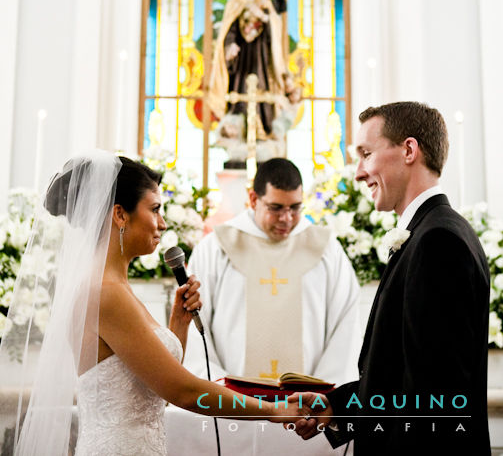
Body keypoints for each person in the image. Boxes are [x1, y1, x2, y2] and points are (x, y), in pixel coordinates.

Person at [0, 152, 301, 456]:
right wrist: (274, 411)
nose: (163, 222)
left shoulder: (116, 288)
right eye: (155, 209)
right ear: (120, 214)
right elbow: (182, 391)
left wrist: (178, 325)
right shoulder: (106, 294)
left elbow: (153, 391)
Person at [289, 102, 491, 455]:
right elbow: (400, 377)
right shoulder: (432, 231)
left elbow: (434, 399)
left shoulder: (437, 241)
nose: (359, 172)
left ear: (409, 150)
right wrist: (335, 406)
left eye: (366, 154)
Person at [184, 157, 361, 390]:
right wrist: (220, 389)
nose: (286, 219)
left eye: (295, 208)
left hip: (307, 409)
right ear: (253, 199)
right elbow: (197, 328)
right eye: (276, 208)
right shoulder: (216, 247)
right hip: (232, 404)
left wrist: (323, 394)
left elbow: (345, 327)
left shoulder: (327, 249)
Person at [209, 0, 288, 139]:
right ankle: (238, 133)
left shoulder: (263, 0)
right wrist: (230, 46)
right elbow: (229, 30)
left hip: (261, 54)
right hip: (241, 58)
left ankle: (264, 129)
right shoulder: (234, 3)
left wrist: (264, 17)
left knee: (263, 87)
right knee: (240, 89)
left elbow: (275, 24)